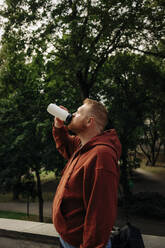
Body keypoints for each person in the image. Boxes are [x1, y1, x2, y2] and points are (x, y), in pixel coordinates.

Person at [52, 98, 122, 248]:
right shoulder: (83, 145)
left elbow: (101, 214)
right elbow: (65, 145)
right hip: (68, 236)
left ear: (89, 122)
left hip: (81, 243)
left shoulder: (101, 156)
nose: (72, 114)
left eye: (78, 113)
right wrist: (59, 126)